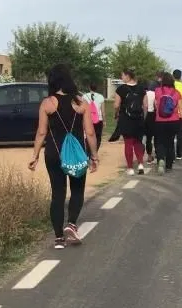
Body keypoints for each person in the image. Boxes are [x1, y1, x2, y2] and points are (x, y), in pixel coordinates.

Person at [28, 63, 98, 250]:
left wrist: (35, 155)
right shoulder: (81, 103)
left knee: (57, 194)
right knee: (77, 190)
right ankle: (71, 224)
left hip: (54, 154)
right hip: (77, 154)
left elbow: (41, 132)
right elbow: (90, 132)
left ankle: (59, 238)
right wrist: (94, 156)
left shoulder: (47, 103)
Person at [112, 68, 147, 175]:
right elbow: (145, 105)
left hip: (126, 119)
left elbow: (116, 105)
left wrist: (116, 114)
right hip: (139, 119)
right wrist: (143, 117)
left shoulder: (121, 89)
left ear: (127, 76)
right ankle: (140, 164)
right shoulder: (141, 88)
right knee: (138, 142)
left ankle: (130, 168)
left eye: (122, 75)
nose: (121, 77)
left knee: (128, 143)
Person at [153, 73, 182, 173]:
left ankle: (160, 159)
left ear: (163, 81)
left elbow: (155, 105)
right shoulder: (177, 93)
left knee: (160, 142)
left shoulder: (158, 90)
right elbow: (181, 109)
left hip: (160, 121)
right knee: (170, 143)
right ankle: (168, 166)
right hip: (174, 121)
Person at [82, 83, 106, 147]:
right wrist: (104, 121)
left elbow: (83, 109)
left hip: (87, 119)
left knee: (88, 135)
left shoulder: (84, 96)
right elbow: (103, 111)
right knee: (98, 136)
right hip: (98, 119)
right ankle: (95, 150)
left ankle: (88, 150)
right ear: (96, 88)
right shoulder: (101, 96)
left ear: (89, 88)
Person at [172, 69, 182, 160]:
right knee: (179, 135)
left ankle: (171, 154)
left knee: (170, 135)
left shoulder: (170, 85)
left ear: (173, 76)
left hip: (171, 113)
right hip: (181, 113)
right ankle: (179, 153)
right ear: (180, 76)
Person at [144, 77, 158, 164]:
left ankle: (149, 156)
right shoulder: (156, 94)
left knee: (148, 138)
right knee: (156, 137)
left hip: (146, 115)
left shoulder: (144, 93)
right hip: (154, 115)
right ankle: (157, 154)